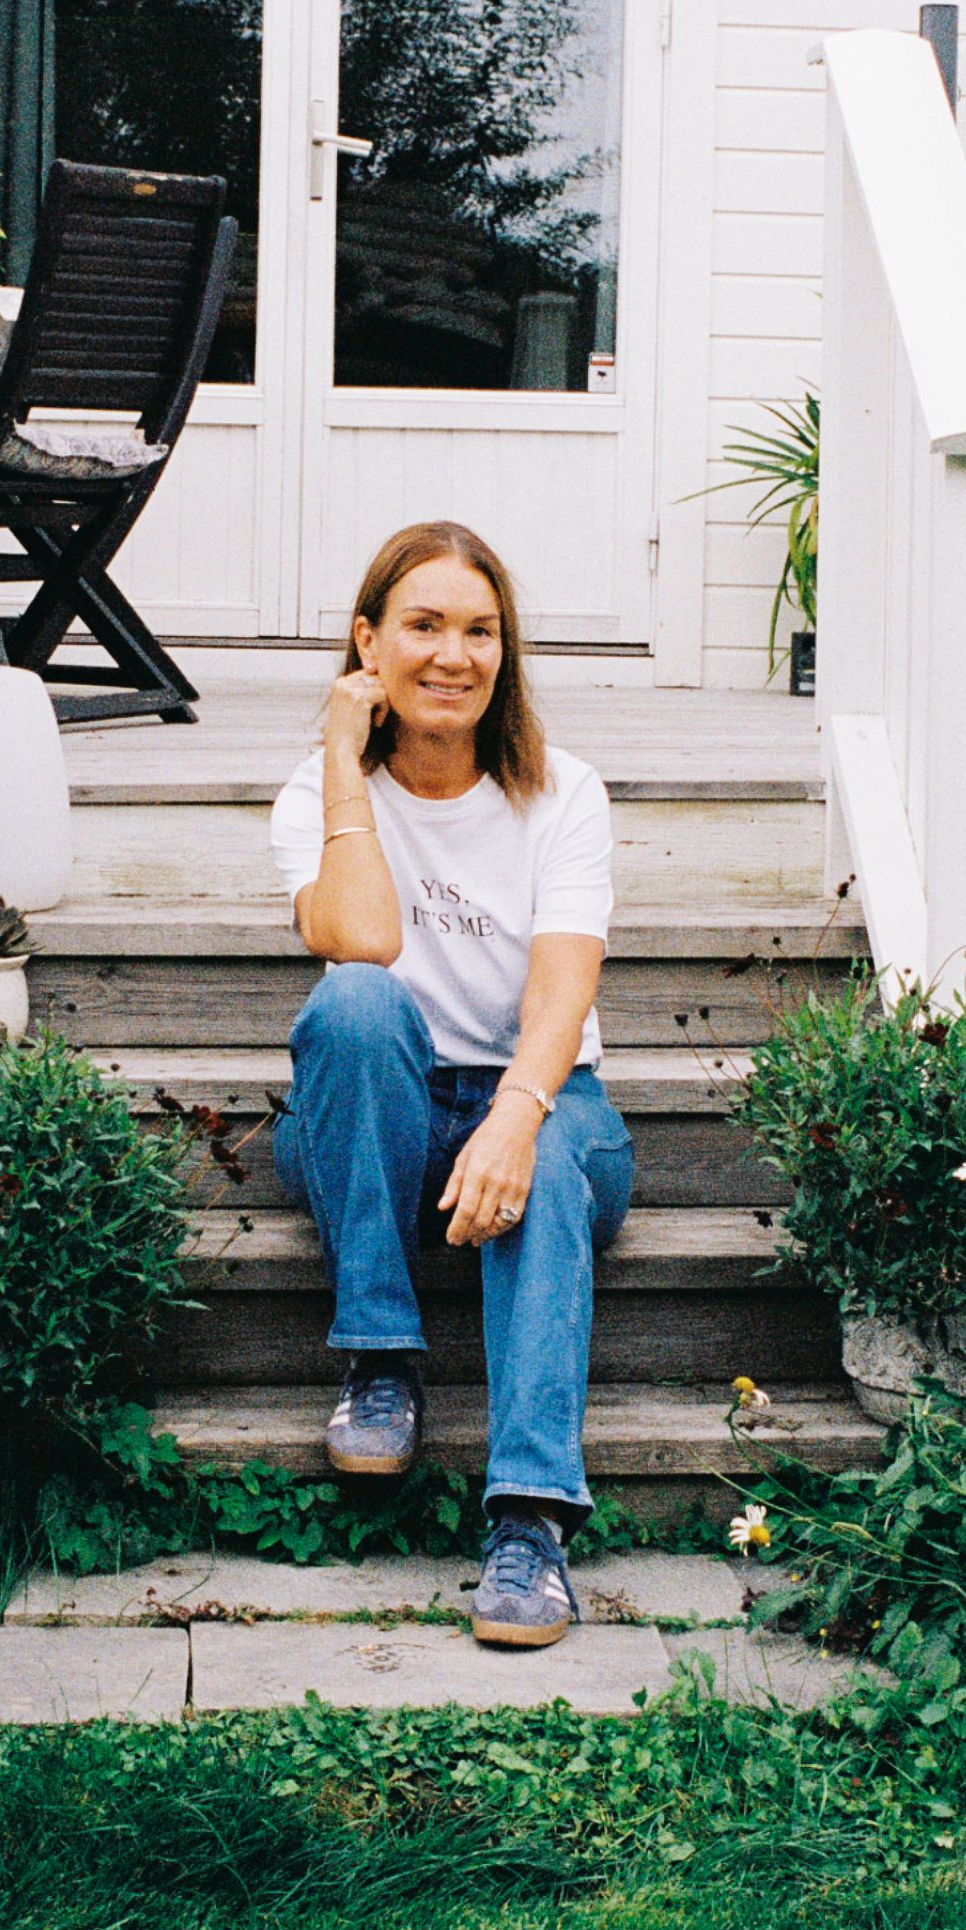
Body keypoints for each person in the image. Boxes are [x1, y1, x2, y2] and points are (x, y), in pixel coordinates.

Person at [268, 521, 631, 1650]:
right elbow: (363, 940)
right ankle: (379, 1359)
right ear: (367, 643)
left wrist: (516, 1118)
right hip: (383, 1108)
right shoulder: (310, 796)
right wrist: (342, 759)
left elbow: (560, 998)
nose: (452, 655)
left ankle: (528, 1521)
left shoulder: (561, 792)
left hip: (546, 1092)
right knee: (354, 1005)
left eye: (479, 631)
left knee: (552, 1157)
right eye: (421, 626)